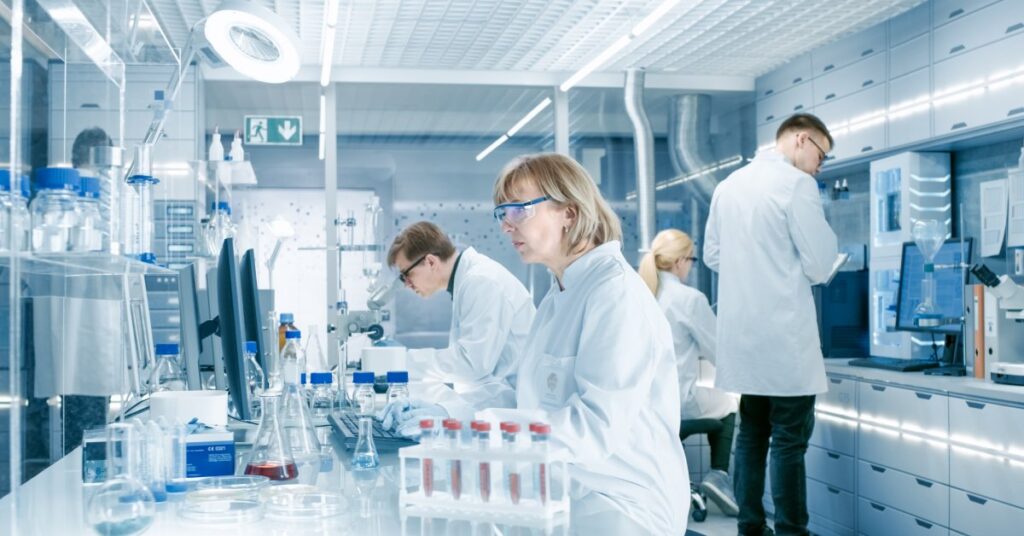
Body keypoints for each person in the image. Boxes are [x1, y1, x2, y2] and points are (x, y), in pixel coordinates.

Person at [490, 153, 688, 533]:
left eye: (518, 209)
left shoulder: (614, 293)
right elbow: (530, 401)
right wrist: (448, 414)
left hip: (625, 510)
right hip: (573, 496)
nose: (506, 225)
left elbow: (597, 425)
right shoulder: (560, 292)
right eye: (502, 213)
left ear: (569, 211)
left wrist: (493, 430)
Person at [703, 113, 839, 536]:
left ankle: (749, 526)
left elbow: (712, 255)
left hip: (744, 341)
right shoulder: (797, 185)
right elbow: (819, 266)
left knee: (751, 435)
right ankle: (792, 532)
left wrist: (754, 269)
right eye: (821, 154)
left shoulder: (729, 186)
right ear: (801, 140)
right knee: (788, 443)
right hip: (785, 341)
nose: (820, 165)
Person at [383, 221, 535, 424]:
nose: (406, 284)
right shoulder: (467, 281)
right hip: (492, 403)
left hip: (510, 412)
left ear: (430, 262)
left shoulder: (481, 281)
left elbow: (473, 364)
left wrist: (402, 362)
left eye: (406, 274)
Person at [638, 228, 739, 516]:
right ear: (680, 261)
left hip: (642, 407)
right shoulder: (689, 298)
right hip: (678, 403)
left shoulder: (639, 293)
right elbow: (720, 353)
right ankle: (718, 475)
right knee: (730, 403)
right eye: (692, 260)